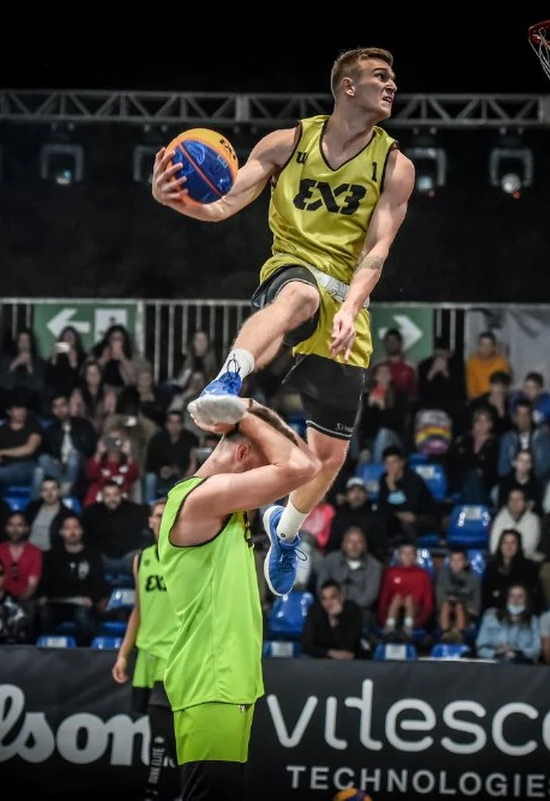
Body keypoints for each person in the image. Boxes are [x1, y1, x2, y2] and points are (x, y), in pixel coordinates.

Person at [150, 47, 415, 598]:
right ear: (347, 86)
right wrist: (177, 202)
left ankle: (286, 530)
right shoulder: (287, 143)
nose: (392, 85)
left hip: (349, 297)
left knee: (330, 454)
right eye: (380, 77)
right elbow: (223, 203)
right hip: (294, 267)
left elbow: (377, 249)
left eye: (392, 78)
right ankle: (228, 379)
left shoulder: (395, 166)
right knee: (297, 295)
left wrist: (350, 307)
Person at [157, 396, 320, 800]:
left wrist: (251, 407)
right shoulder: (197, 499)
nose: (267, 483)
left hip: (228, 684)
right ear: (243, 451)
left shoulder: (223, 508)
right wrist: (245, 414)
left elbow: (306, 462)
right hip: (211, 682)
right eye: (262, 469)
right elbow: (300, 469)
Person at [112, 499, 178, 801]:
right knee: (160, 735)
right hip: (147, 657)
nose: (161, 519)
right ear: (150, 522)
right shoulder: (142, 559)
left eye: (167, 515)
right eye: (157, 515)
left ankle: (156, 791)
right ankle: (168, 790)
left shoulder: (185, 555)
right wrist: (124, 653)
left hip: (174, 657)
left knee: (163, 734)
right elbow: (138, 609)